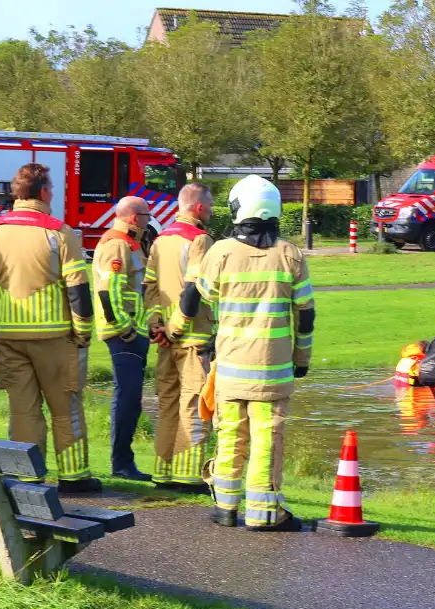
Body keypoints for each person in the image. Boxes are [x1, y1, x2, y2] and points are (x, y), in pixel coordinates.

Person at [190, 175, 313, 531]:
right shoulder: (290, 254)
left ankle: (225, 508)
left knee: (229, 434)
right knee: (266, 438)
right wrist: (301, 359)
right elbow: (305, 313)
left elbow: (206, 294)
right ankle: (264, 513)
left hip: (229, 368)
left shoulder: (221, 252)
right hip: (273, 371)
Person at [0, 163, 100, 493]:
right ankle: (73, 477)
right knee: (65, 408)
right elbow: (77, 289)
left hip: (8, 337)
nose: (52, 195)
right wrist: (83, 332)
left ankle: (27, 477)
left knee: (23, 410)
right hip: (55, 337)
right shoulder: (59, 232)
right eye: (52, 190)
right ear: (43, 192)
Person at [144, 182, 216, 492]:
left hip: (164, 339)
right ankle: (188, 475)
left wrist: (155, 325)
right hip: (191, 337)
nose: (211, 212)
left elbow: (149, 287)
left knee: (167, 403)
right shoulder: (200, 239)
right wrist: (174, 328)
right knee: (193, 403)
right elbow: (194, 290)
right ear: (199, 208)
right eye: (210, 207)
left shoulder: (161, 239)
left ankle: (163, 472)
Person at [92, 196, 154, 482]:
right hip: (124, 334)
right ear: (132, 217)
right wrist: (126, 329)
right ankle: (121, 463)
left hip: (133, 331)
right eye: (145, 215)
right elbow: (108, 292)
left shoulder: (129, 242)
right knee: (127, 396)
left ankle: (123, 461)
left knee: (131, 397)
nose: (148, 219)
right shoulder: (117, 244)